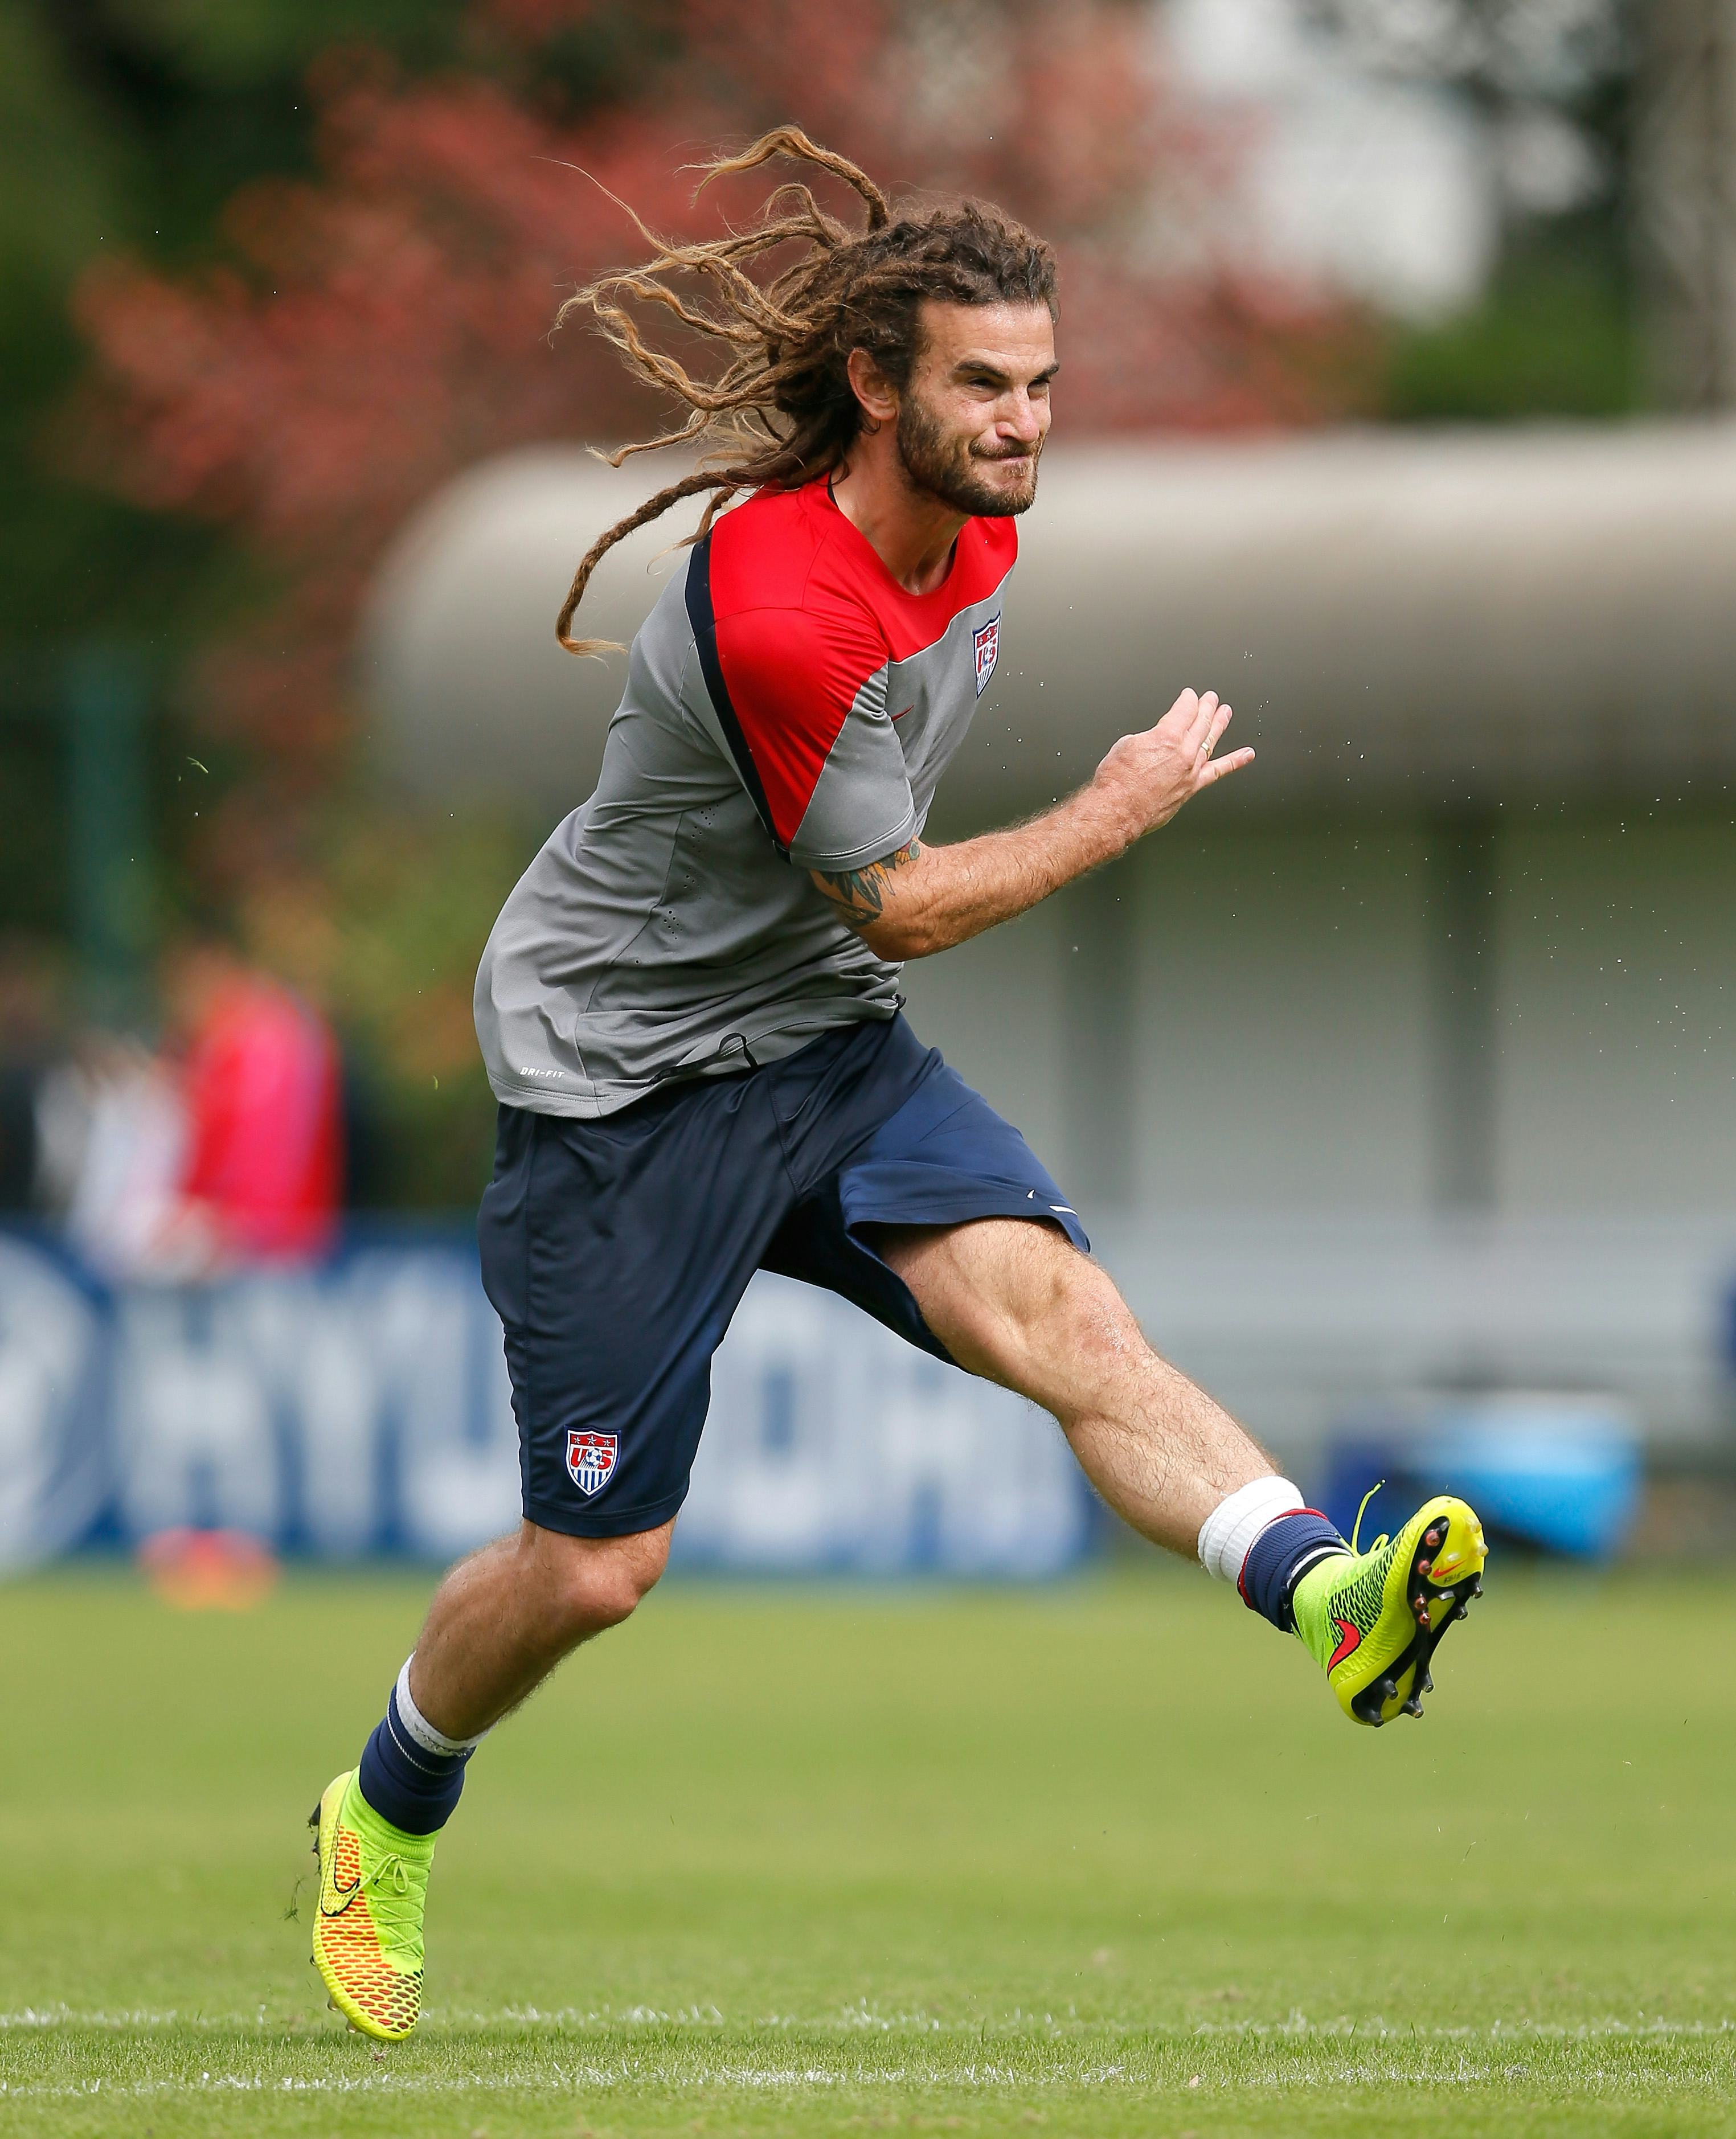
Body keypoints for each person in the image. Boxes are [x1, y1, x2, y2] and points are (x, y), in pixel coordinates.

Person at [309, 129, 1487, 2042]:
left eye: (1041, 386)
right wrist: (1114, 810)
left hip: (826, 1046)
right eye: (980, 386)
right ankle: (387, 1799)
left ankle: (1324, 1592)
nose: (1023, 426)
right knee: (598, 1568)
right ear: (877, 384)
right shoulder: (783, 602)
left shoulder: (986, 524)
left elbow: (868, 929)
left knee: (1071, 1325)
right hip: (622, 1084)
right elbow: (910, 903)